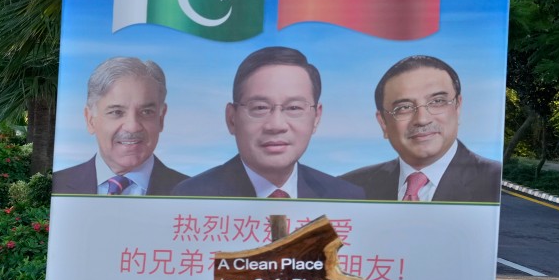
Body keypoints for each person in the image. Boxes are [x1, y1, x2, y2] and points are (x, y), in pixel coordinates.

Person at [173, 46, 363, 199]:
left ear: (316, 118)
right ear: (232, 118)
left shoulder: (346, 198)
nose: (276, 125)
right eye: (260, 108)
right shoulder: (190, 198)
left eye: (294, 108)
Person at [342, 55, 501, 202]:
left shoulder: (494, 181)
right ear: (383, 122)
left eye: (437, 101)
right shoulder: (348, 187)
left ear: (458, 107)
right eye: (404, 107)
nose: (422, 119)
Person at [53, 57, 187, 195]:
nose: (132, 126)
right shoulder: (57, 186)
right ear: (90, 119)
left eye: (146, 112)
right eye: (117, 112)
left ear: (161, 118)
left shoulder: (193, 192)